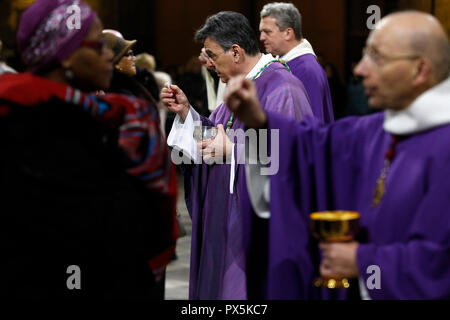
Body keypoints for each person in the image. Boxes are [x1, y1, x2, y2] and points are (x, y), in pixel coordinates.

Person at [225, 11, 450, 299]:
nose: (360, 70)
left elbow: (440, 264)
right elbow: (309, 147)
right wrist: (260, 121)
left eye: (377, 58)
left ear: (420, 70)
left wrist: (362, 261)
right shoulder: (375, 129)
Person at [0, 0, 178, 299]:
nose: (109, 55)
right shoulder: (121, 122)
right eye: (98, 45)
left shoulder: (124, 117)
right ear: (65, 55)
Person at [162, 11, 313, 299]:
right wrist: (186, 113)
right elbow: (216, 131)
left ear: (235, 52)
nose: (207, 62)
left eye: (212, 54)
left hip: (250, 231)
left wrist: (232, 150)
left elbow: (291, 155)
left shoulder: (282, 88)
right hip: (224, 218)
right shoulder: (241, 85)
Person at [259, 2, 334, 123]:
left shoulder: (306, 69)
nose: (261, 37)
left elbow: (313, 126)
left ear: (288, 33)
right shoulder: (288, 64)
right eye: (261, 32)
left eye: (267, 32)